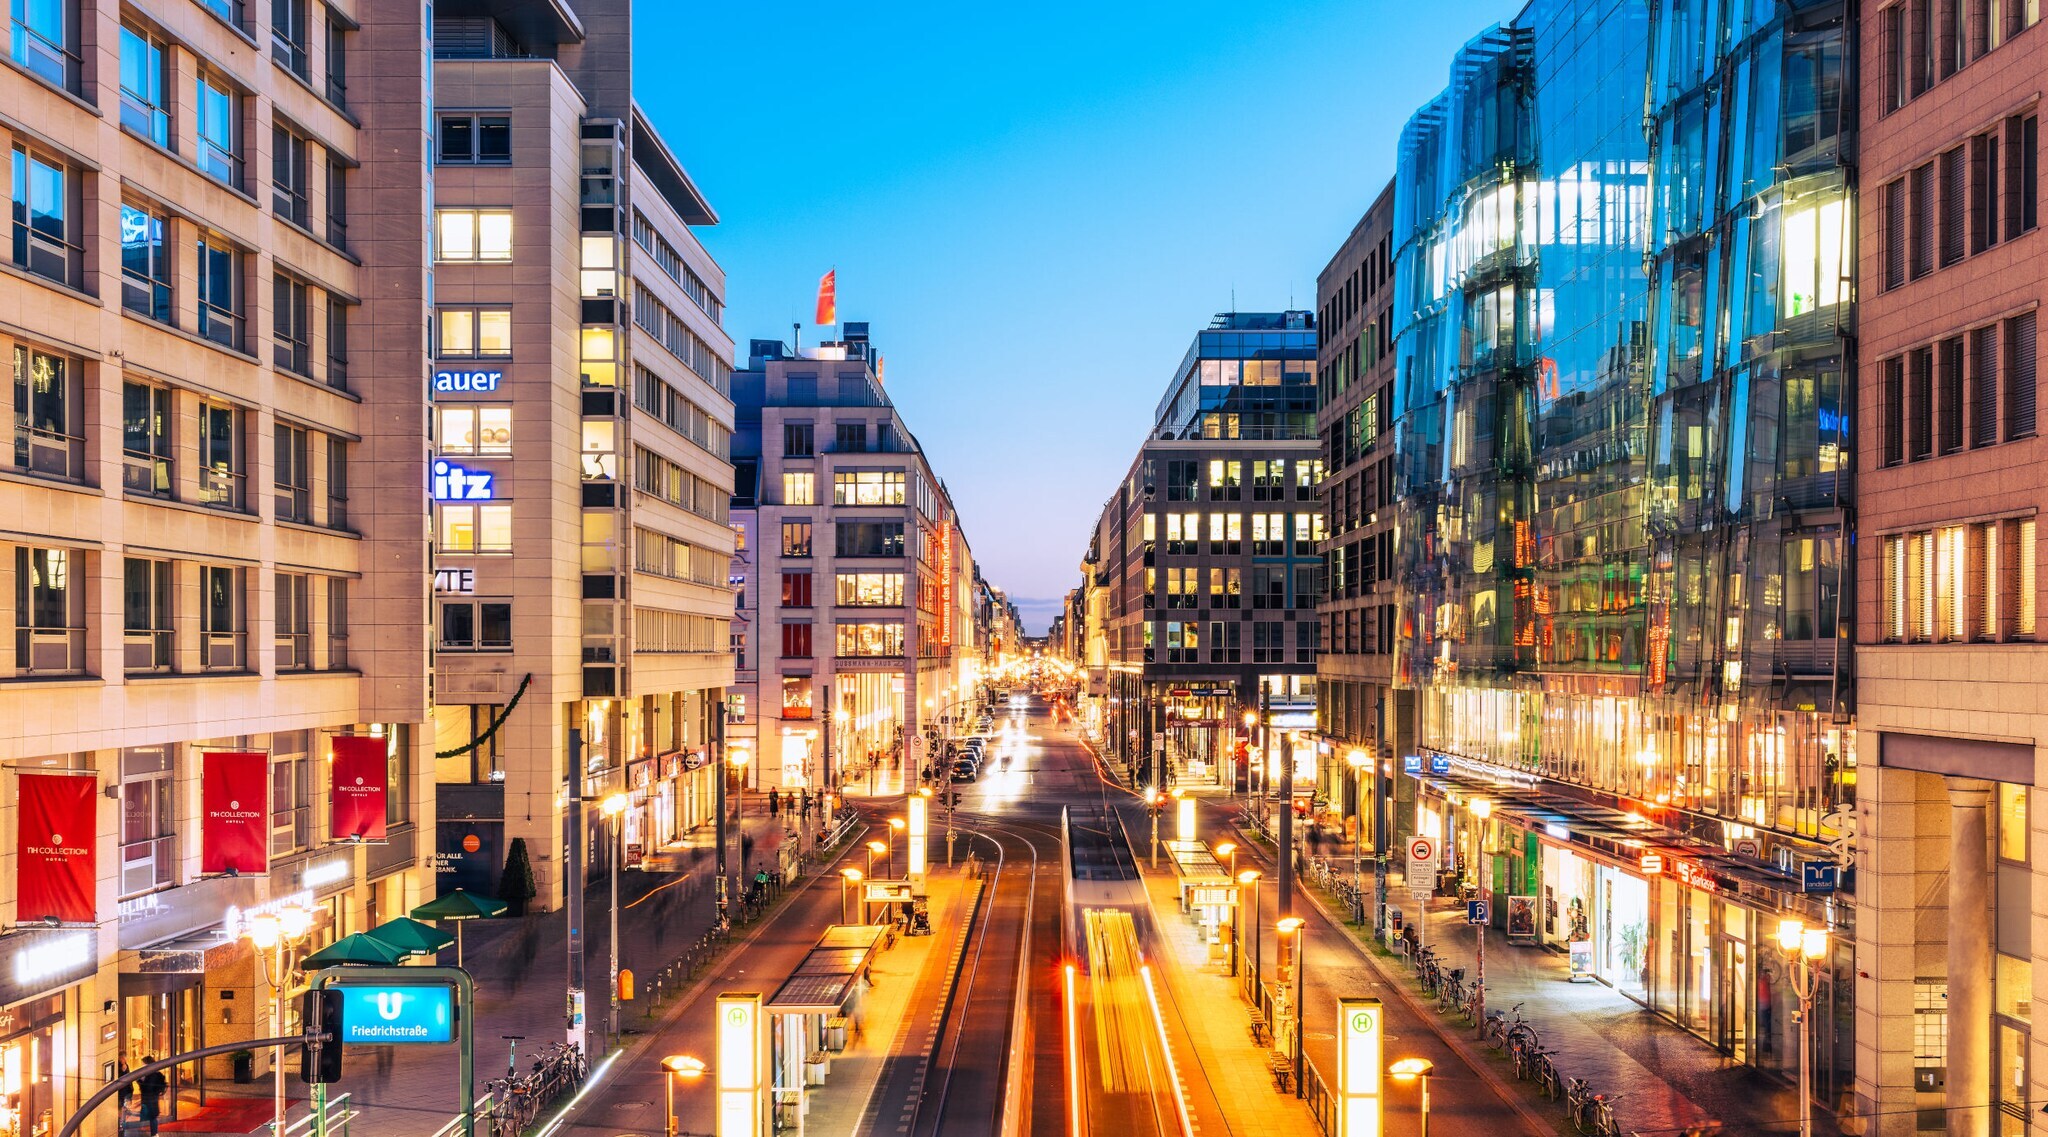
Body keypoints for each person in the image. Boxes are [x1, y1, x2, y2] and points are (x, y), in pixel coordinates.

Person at [137, 1060, 168, 1136]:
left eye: (143, 1064)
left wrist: (141, 1080)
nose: (142, 1066)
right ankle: (154, 1134)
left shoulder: (151, 1075)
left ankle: (152, 1134)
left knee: (149, 1117)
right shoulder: (156, 1074)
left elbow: (147, 1088)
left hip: (150, 1099)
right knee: (151, 1117)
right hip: (152, 1099)